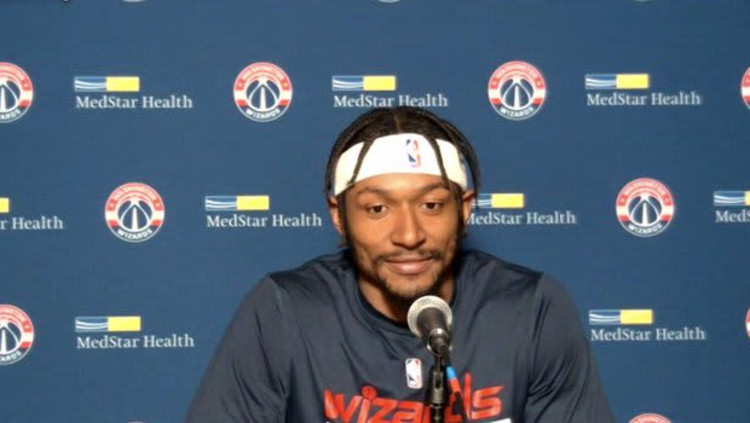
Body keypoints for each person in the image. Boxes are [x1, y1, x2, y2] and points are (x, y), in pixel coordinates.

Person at [185, 107, 614, 423]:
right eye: (377, 209)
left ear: (465, 209)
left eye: (431, 205)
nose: (408, 234)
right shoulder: (285, 311)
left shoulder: (531, 309)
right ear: (339, 216)